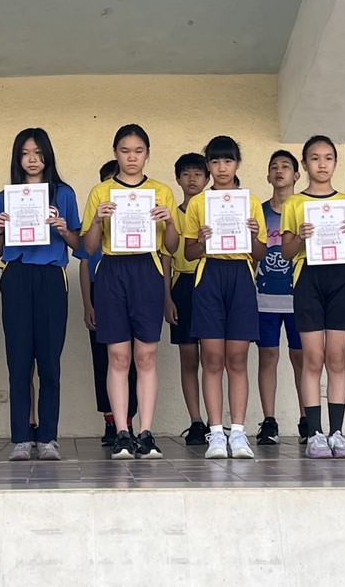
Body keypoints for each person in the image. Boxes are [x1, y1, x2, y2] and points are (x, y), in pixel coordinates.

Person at [82, 124, 179, 460]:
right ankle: (122, 431)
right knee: (118, 356)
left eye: (138, 151)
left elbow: (172, 247)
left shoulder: (161, 191)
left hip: (147, 270)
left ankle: (146, 432)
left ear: (147, 154)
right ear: (115, 153)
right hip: (112, 270)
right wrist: (97, 220)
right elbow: (88, 247)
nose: (132, 157)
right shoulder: (101, 191)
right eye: (125, 151)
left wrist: (169, 222)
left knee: (146, 356)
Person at [0, 128, 82, 462]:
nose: (32, 159)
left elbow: (79, 245)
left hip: (50, 277)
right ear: (17, 159)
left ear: (47, 155)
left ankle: (47, 437)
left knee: (49, 362)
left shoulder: (64, 193)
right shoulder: (5, 197)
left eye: (38, 153)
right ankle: (21, 437)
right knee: (18, 361)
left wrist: (63, 229)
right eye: (25, 154)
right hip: (16, 275)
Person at [183, 137, 267, 459]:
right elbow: (189, 253)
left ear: (237, 164)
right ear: (209, 165)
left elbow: (259, 253)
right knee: (212, 358)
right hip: (209, 276)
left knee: (238, 358)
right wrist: (203, 242)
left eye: (228, 161)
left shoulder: (251, 202)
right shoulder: (198, 203)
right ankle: (216, 433)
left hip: (241, 276)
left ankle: (239, 432)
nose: (221, 168)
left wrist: (253, 235)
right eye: (215, 162)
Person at [281, 135, 345, 459]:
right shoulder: (294, 203)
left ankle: (337, 432)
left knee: (337, 358)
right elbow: (286, 252)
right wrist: (300, 237)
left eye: (328, 158)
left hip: (341, 278)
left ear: (335, 163)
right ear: (304, 164)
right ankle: (314, 432)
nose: (322, 164)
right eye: (315, 158)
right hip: (308, 279)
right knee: (313, 358)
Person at [76, 160, 139, 445]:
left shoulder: (138, 210)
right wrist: (88, 304)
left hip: (133, 285)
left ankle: (129, 421)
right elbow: (84, 261)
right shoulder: (96, 213)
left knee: (134, 358)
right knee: (104, 359)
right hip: (101, 290)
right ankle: (110, 421)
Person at [254, 150, 306, 445]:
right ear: (268, 176)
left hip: (300, 297)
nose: (279, 170)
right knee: (268, 356)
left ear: (296, 175)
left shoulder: (305, 209)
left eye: (286, 166)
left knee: (302, 358)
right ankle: (269, 421)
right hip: (265, 297)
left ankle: (307, 419)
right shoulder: (259, 212)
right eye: (274, 166)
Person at [167, 153, 210, 446]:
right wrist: (166, 298)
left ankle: (215, 421)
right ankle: (196, 421)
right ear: (178, 179)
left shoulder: (215, 210)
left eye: (197, 173)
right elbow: (165, 257)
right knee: (189, 357)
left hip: (211, 280)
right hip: (182, 284)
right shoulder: (171, 213)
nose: (192, 179)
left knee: (213, 357)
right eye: (186, 174)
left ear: (207, 178)